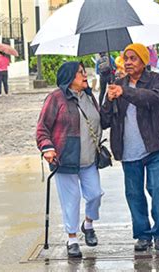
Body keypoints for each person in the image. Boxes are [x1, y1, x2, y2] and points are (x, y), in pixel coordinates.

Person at [101, 43, 159, 252]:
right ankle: (142, 235)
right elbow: (104, 121)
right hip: (128, 150)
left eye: (133, 58)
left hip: (154, 147)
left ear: (143, 61)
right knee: (134, 194)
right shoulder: (117, 84)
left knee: (157, 190)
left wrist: (125, 92)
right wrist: (108, 100)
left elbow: (155, 99)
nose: (129, 62)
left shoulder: (156, 80)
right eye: (126, 58)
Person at [36, 61, 104, 258]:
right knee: (71, 200)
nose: (85, 75)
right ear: (69, 78)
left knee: (95, 195)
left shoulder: (89, 97)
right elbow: (42, 129)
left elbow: (101, 121)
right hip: (65, 159)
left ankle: (88, 224)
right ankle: (72, 239)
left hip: (89, 158)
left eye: (84, 72)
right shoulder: (55, 98)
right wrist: (47, 147)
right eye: (80, 73)